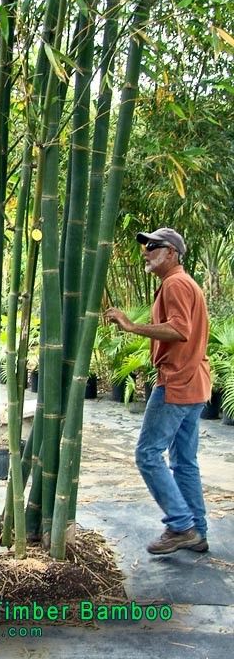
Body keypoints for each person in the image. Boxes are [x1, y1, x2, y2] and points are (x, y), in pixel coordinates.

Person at [105, 227, 211, 555]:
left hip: (176, 383)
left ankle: (180, 525)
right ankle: (197, 531)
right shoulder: (183, 282)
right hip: (194, 381)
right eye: (146, 246)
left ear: (172, 253)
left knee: (148, 455)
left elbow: (179, 329)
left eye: (153, 246)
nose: (146, 251)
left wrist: (131, 325)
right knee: (184, 461)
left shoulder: (176, 283)